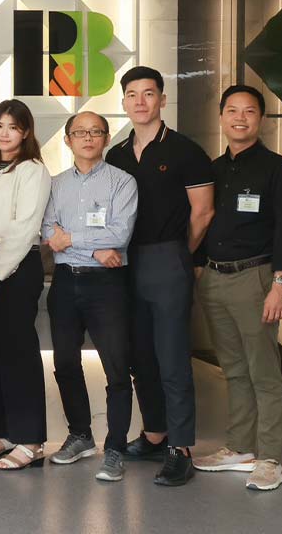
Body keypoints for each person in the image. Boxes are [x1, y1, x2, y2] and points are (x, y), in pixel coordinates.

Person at [106, 66, 214, 487]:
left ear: (162, 100)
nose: (140, 101)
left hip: (167, 257)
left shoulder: (186, 150)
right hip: (124, 262)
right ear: (124, 102)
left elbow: (203, 212)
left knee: (171, 357)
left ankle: (180, 448)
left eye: (148, 93)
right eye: (132, 94)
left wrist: (178, 253)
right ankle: (155, 433)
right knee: (139, 355)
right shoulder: (116, 155)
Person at [192, 85, 282, 492]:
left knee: (264, 372)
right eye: (232, 110)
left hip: (256, 278)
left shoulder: (279, 170)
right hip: (214, 279)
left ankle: (270, 458)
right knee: (233, 370)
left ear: (261, 119)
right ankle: (239, 447)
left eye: (249, 111)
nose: (240, 118)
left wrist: (280, 285)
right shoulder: (213, 169)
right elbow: (201, 219)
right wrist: (199, 268)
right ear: (221, 117)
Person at [41, 111, 139, 482]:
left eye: (95, 131)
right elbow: (48, 230)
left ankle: (115, 448)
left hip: (107, 285)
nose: (87, 138)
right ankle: (80, 435)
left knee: (116, 367)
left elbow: (120, 233)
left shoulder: (122, 182)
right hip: (65, 282)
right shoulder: (55, 184)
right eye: (79, 132)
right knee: (65, 362)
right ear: (67, 140)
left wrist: (74, 240)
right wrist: (95, 247)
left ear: (106, 138)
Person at [0, 99, 51, 471]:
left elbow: (24, 228)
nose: (5, 133)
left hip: (14, 265)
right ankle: (4, 433)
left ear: (26, 132)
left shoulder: (33, 170)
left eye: (13, 127)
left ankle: (31, 440)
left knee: (18, 352)